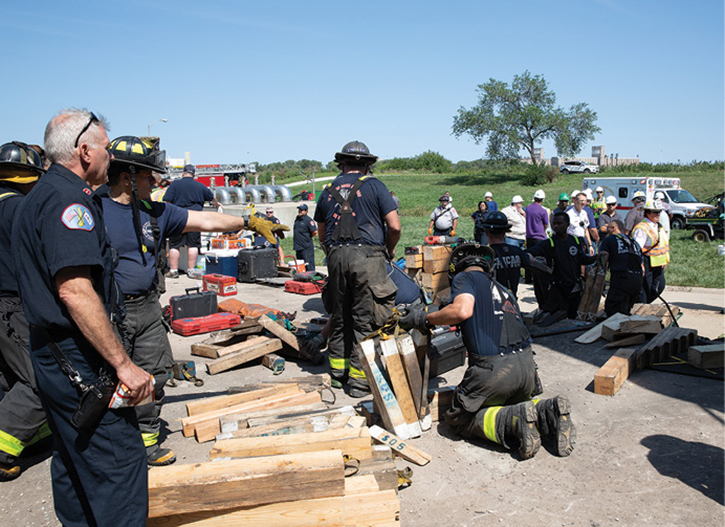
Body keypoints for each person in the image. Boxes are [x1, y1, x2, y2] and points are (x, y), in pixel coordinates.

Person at [101, 135, 287, 467]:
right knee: (112, 380)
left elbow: (206, 220)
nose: (155, 182)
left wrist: (250, 222)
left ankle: (146, 442)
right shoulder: (93, 209)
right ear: (127, 177)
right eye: (148, 176)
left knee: (155, 375)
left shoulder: (152, 211)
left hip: (147, 308)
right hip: (110, 313)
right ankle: (112, 444)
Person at [12, 108, 154, 525]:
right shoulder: (67, 202)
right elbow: (75, 291)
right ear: (85, 150)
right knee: (119, 467)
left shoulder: (38, 195)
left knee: (75, 461)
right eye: (107, 150)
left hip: (53, 353)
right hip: (79, 358)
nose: (110, 160)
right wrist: (123, 365)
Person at [400, 243, 576, 460]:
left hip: (494, 371)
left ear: (455, 270)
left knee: (458, 418)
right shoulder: (505, 291)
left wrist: (423, 317)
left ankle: (513, 420)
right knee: (508, 401)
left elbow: (463, 310)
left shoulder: (465, 279)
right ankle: (548, 410)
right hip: (527, 371)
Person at [314, 141, 400, 398]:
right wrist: (390, 248)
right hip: (368, 257)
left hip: (336, 256)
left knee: (340, 316)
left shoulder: (327, 190)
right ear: (367, 165)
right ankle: (361, 382)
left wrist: (334, 254)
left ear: (342, 164)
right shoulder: (375, 185)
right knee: (368, 318)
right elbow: (394, 226)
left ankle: (338, 374)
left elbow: (320, 233)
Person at [0, 142, 51, 481]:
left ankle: (31, 438)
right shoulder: (22, 210)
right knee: (39, 378)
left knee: (8, 374)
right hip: (14, 304)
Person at [527, 212, 598, 319]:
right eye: (554, 223)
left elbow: (582, 259)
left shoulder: (575, 241)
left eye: (559, 223)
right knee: (556, 319)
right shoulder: (548, 243)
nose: (556, 226)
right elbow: (528, 253)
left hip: (574, 289)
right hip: (557, 290)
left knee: (572, 318)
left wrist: (596, 258)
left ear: (567, 224)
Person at [163, 164, 222, 278]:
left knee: (174, 245)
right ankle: (191, 270)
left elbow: (167, 202)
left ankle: (174, 271)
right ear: (193, 175)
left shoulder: (175, 185)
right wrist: (216, 203)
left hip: (178, 218)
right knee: (193, 245)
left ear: (183, 174)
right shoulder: (200, 186)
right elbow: (211, 198)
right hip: (195, 218)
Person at [484, 212, 544, 299]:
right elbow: (529, 260)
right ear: (505, 233)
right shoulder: (516, 251)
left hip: (491, 304)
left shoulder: (485, 255)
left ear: (486, 233)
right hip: (511, 303)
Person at [599, 220, 643, 317]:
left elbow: (603, 257)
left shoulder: (609, 240)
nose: (607, 231)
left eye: (608, 228)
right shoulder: (634, 242)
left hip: (622, 278)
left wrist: (599, 279)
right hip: (637, 279)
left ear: (614, 228)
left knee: (614, 313)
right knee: (625, 310)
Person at [632, 200, 670, 304]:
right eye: (655, 212)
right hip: (646, 262)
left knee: (658, 287)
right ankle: (640, 308)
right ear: (647, 212)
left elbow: (663, 244)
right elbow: (637, 249)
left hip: (658, 263)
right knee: (645, 289)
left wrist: (665, 260)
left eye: (659, 212)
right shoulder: (642, 228)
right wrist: (641, 264)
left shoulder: (658, 226)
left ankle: (643, 305)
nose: (658, 214)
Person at [525, 190, 549, 283]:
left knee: (528, 257)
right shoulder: (543, 211)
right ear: (542, 199)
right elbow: (546, 224)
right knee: (539, 259)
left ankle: (528, 277)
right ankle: (537, 277)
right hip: (539, 237)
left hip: (529, 236)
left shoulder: (528, 208)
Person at [293, 203, 318, 272]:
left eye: (302, 210)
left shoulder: (308, 220)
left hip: (306, 247)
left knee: (308, 265)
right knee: (300, 265)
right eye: (299, 209)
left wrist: (308, 238)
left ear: (306, 211)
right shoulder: (297, 219)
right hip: (298, 246)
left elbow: (315, 232)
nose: (300, 211)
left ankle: (311, 278)